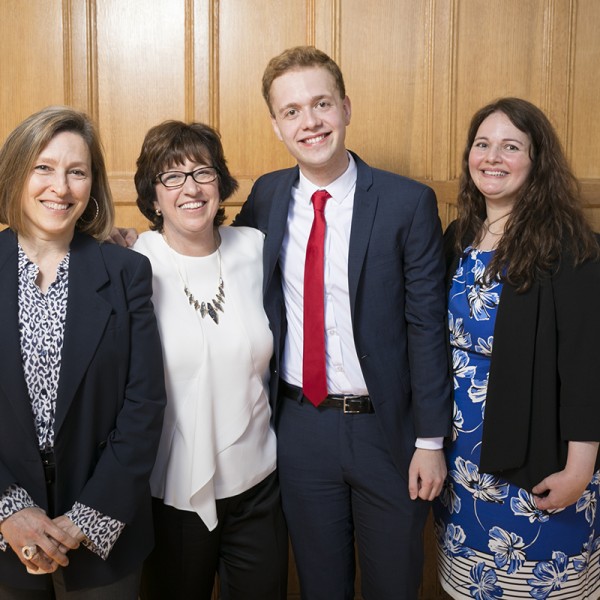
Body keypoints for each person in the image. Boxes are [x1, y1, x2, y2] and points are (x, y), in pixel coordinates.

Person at [233, 46, 453, 600]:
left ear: (347, 108)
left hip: (389, 433)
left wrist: (430, 440)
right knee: (319, 586)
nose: (310, 122)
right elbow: (213, 251)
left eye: (322, 104)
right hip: (300, 426)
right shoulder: (266, 196)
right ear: (277, 125)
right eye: (292, 112)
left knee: (395, 585)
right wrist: (133, 247)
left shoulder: (408, 203)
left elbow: (426, 326)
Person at [434, 97, 600, 599]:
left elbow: (586, 366)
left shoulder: (571, 247)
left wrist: (580, 468)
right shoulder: (457, 237)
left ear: (537, 160)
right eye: (482, 144)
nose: (493, 157)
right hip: (462, 460)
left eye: (511, 146)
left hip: (540, 457)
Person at [0, 106, 166, 599]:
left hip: (103, 537)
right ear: (16, 173)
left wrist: (86, 519)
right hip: (6, 540)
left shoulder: (125, 272)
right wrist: (9, 509)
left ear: (92, 185)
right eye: (43, 168)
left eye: (77, 171)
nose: (61, 187)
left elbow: (145, 407)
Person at [132, 120, 288, 600]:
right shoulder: (133, 263)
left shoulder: (258, 249)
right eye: (172, 177)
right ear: (153, 198)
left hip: (259, 484)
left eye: (202, 172)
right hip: (171, 490)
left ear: (220, 182)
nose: (191, 188)